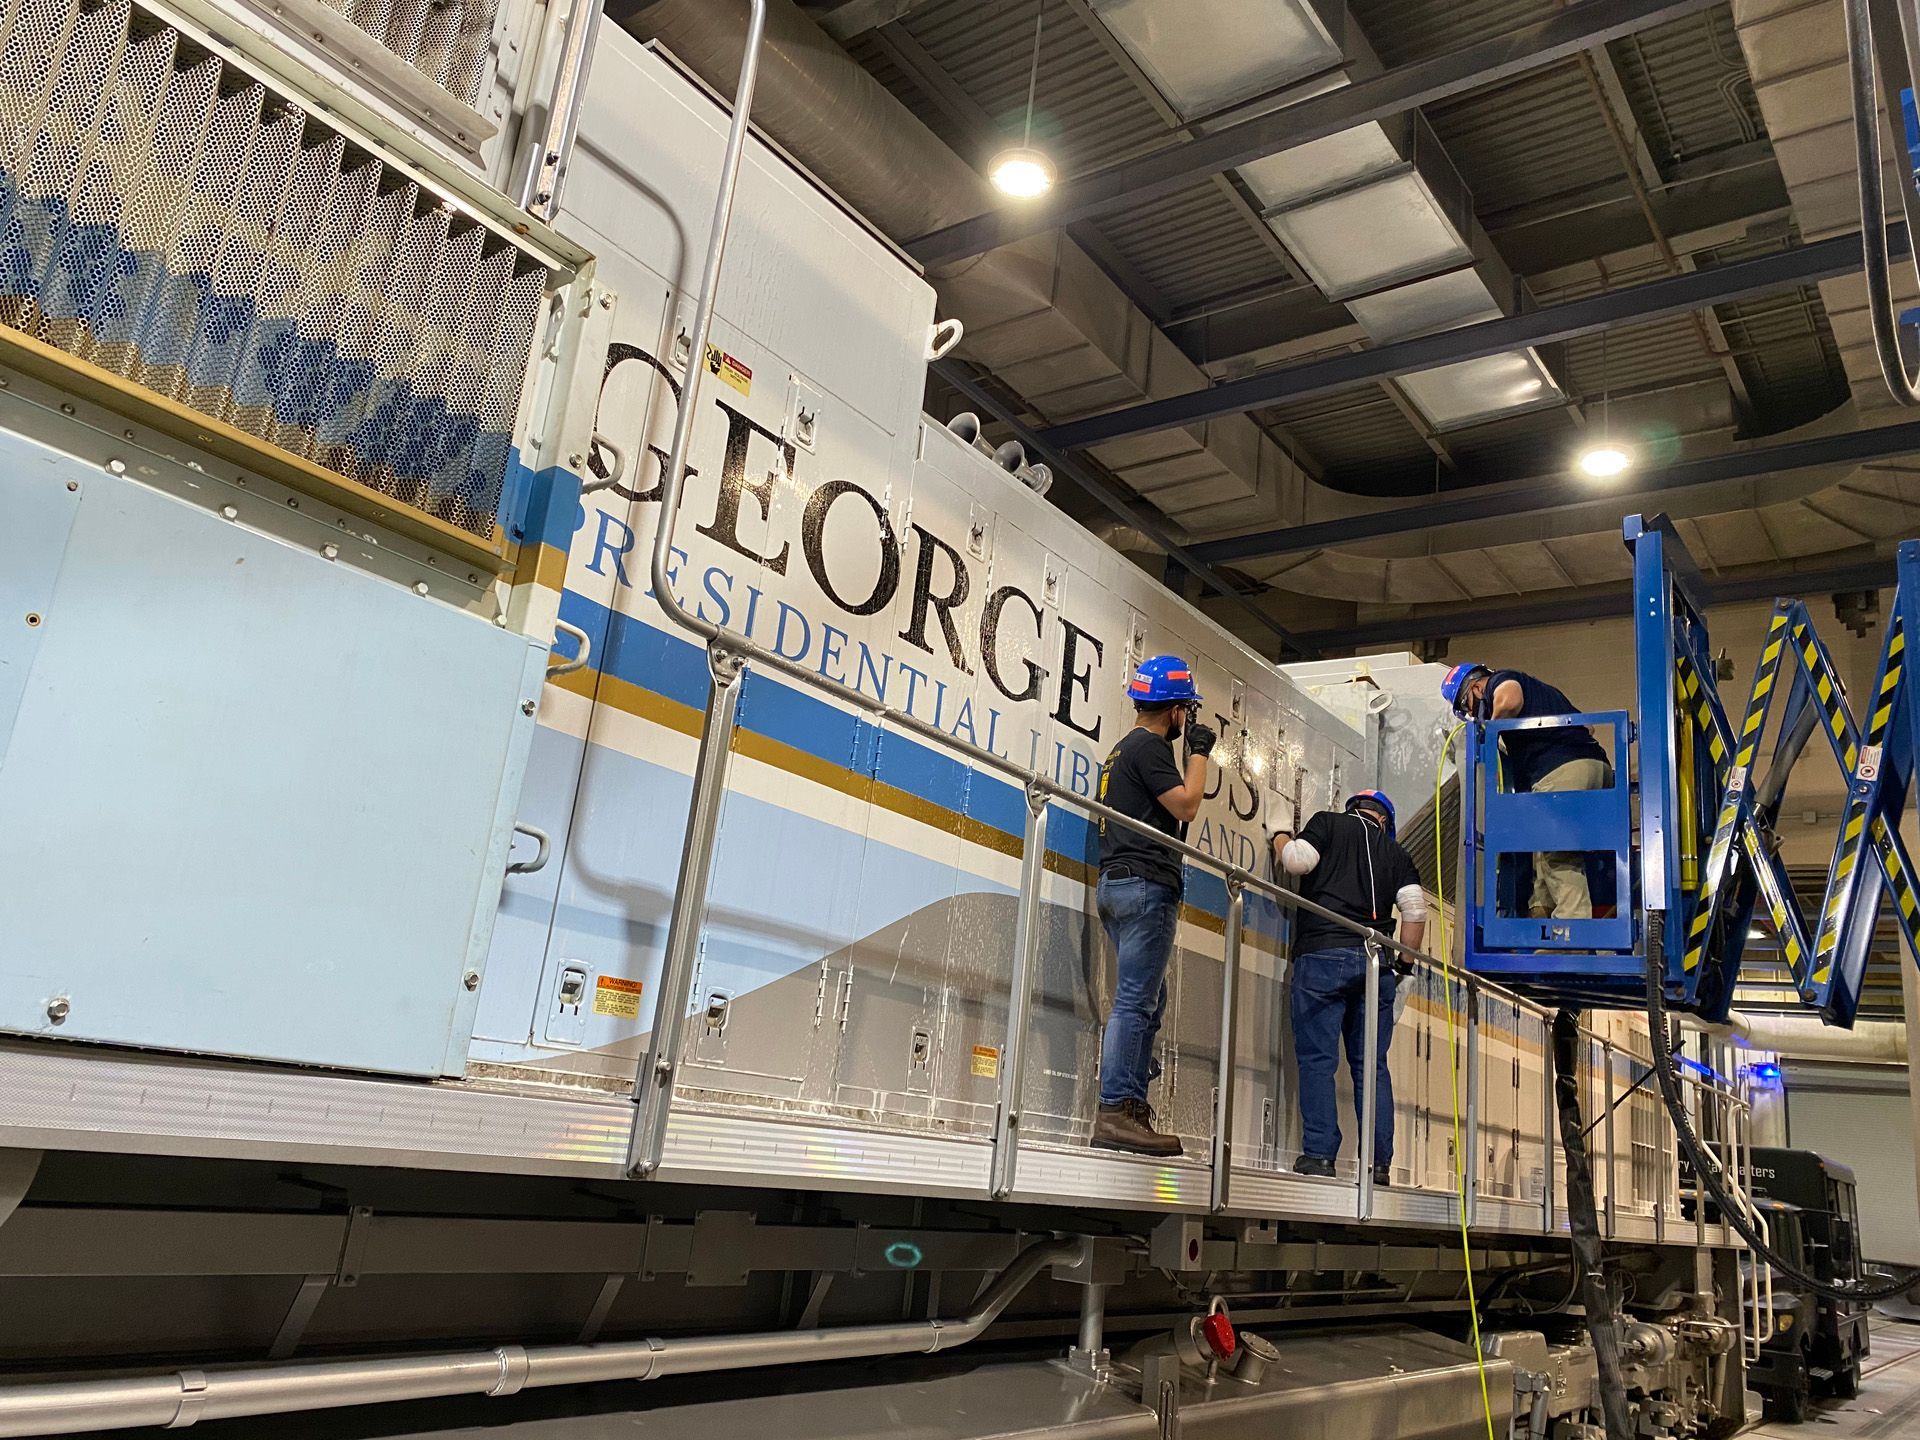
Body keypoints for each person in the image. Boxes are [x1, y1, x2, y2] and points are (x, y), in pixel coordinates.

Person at [1090, 654, 1215, 1157]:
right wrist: (1200, 755)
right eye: (1188, 711)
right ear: (1177, 710)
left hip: (1116, 884)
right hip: (1146, 885)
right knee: (1136, 1000)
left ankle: (1132, 1105)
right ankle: (1116, 1107)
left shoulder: (1121, 750)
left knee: (1148, 999)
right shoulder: (1150, 747)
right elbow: (1186, 805)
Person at [1271, 790, 1425, 1183]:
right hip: (1376, 964)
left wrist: (1278, 834)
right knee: (1371, 1066)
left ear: (1353, 808)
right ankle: (1377, 1164)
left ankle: (1320, 1156)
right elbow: (1415, 912)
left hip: (1322, 955)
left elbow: (1297, 861)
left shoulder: (1327, 823)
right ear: (1385, 821)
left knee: (1319, 1060)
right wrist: (1404, 967)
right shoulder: (1399, 856)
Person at [1440, 662, 1613, 919]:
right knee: (1546, 847)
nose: (1473, 714)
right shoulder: (1545, 694)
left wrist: (1489, 733)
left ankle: (1571, 928)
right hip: (1597, 768)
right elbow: (1589, 727)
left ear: (1476, 688)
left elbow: (1510, 699)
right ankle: (1541, 912)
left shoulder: (1501, 680)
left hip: (1561, 770)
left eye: (1468, 706)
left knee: (1557, 855)